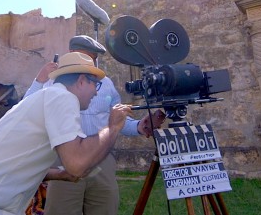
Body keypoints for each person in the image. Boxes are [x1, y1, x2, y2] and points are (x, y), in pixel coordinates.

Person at [0, 52, 133, 214]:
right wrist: (113, 127)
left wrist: (59, 175)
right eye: (95, 84)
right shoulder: (63, 98)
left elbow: (11, 160)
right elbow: (76, 163)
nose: (97, 91)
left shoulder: (43, 98)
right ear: (81, 81)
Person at [23, 35, 165, 215]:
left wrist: (139, 126)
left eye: (95, 59)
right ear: (73, 54)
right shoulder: (54, 81)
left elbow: (116, 117)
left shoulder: (105, 83)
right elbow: (25, 110)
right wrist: (39, 80)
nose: (93, 64)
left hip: (101, 158)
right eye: (88, 58)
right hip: (63, 161)